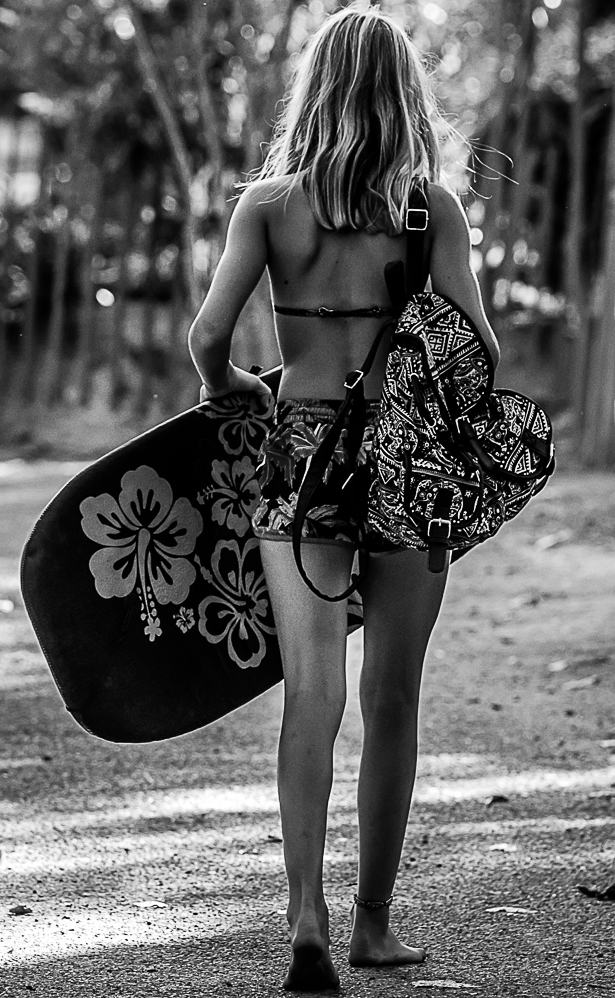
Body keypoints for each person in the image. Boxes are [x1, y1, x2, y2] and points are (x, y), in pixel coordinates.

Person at [186, 6, 500, 991]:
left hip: (299, 454)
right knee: (392, 695)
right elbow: (480, 351)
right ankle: (373, 922)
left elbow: (207, 334)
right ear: (405, 93)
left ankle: (306, 918)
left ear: (312, 91)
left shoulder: (268, 206)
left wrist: (233, 386)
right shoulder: (430, 211)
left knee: (312, 692)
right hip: (406, 464)